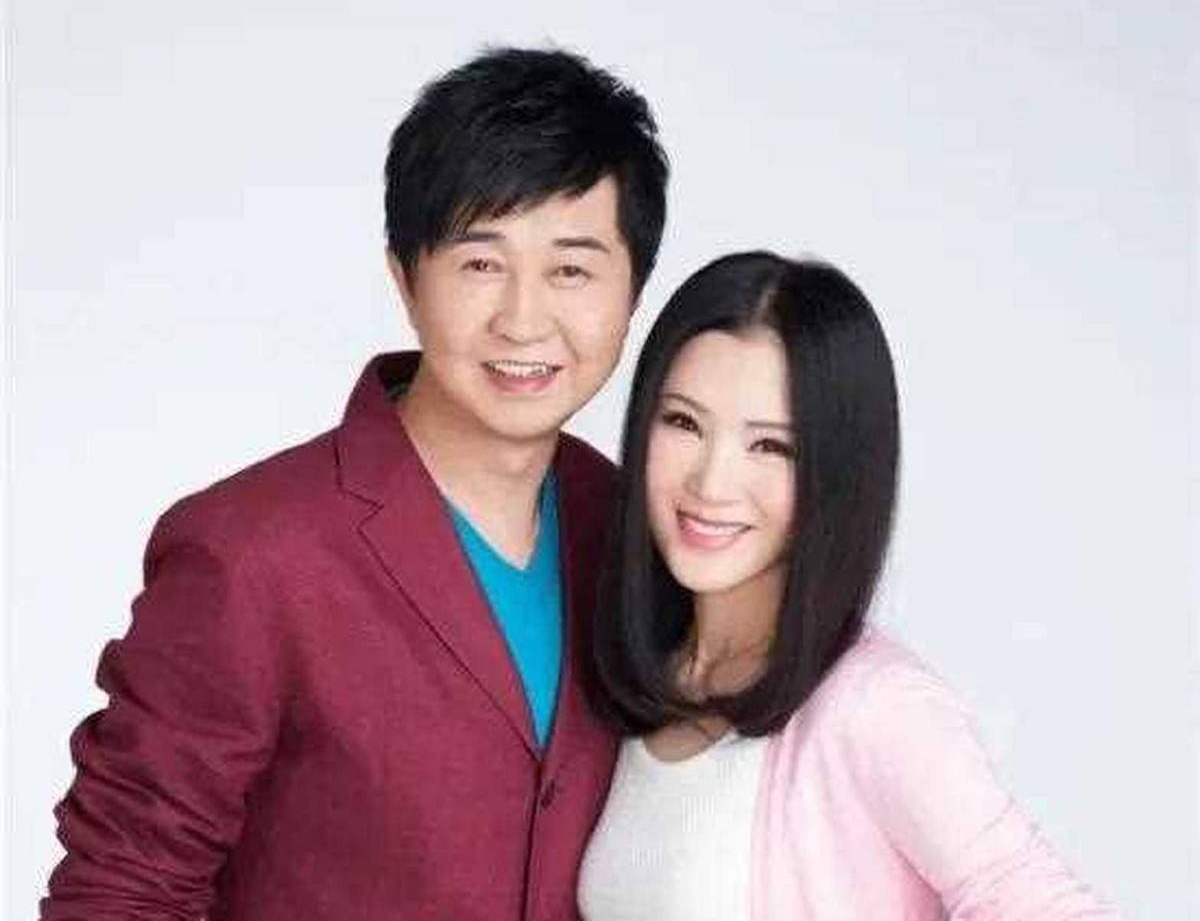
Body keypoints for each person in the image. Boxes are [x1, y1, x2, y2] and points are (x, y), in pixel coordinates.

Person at [41, 46, 668, 921]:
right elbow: (121, 892)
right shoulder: (250, 554)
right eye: (480, 264)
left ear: (632, 293)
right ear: (406, 279)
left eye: (572, 269)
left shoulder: (639, 534)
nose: (525, 319)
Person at [578, 251, 1119, 920]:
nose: (711, 483)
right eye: (684, 423)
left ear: (837, 471)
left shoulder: (875, 706)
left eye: (771, 447)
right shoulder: (641, 678)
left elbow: (1036, 898)